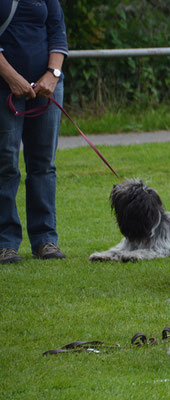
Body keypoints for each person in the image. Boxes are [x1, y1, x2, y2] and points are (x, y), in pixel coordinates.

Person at [0, 0, 68, 263]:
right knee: (5, 164)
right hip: (5, 87)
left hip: (46, 87)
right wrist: (12, 77)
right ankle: (5, 242)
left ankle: (45, 239)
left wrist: (53, 74)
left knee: (44, 165)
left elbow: (57, 29)